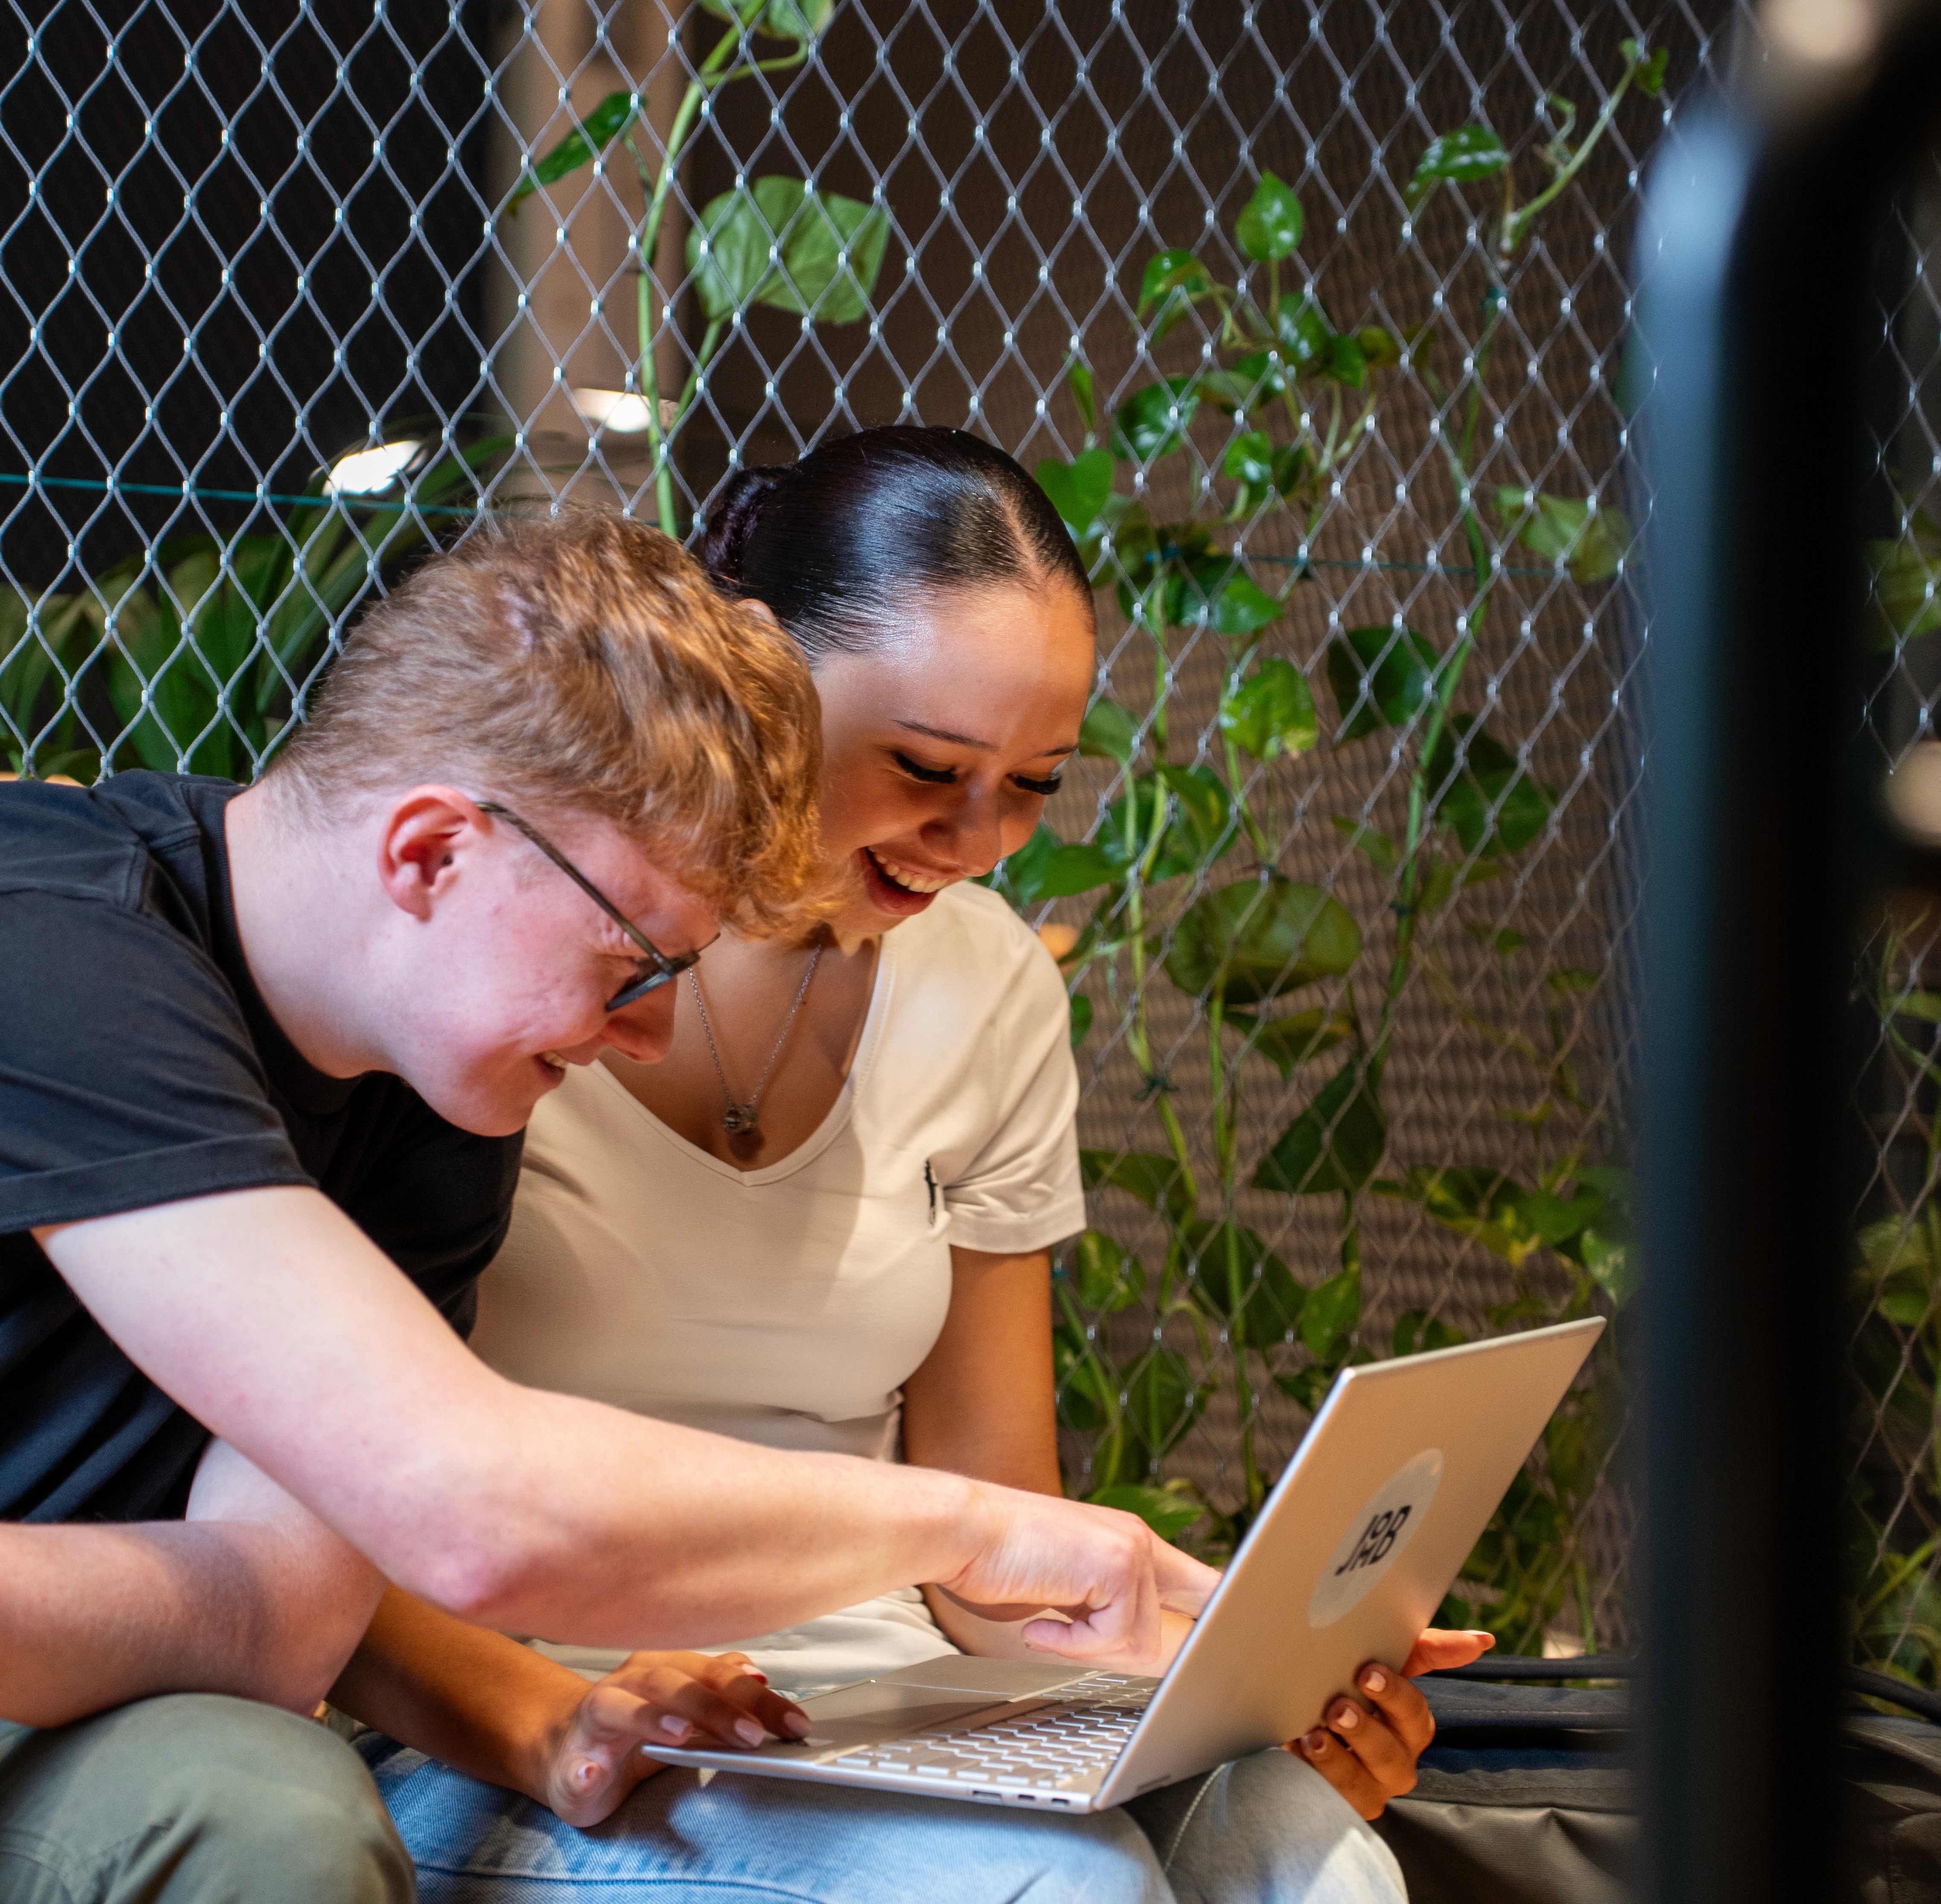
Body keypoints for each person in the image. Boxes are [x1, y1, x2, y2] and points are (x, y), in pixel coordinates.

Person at [328, 430, 1491, 1903]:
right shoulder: (500, 957)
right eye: (926, 766)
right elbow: (334, 1520)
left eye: (1035, 788)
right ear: (744, 669)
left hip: (893, 1703)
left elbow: (990, 1539)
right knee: (1065, 1894)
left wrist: (1243, 1678)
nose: (976, 841)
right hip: (538, 1714)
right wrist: (552, 1712)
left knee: (1302, 1858)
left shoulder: (989, 983)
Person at [0, 510, 1215, 1902]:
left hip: (91, 1707)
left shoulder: (428, 1096)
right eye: (634, 969)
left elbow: (277, 1624)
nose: (644, 1041)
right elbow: (473, 1510)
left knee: (261, 1796)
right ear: (430, 854)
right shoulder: (54, 946)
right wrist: (979, 1528)